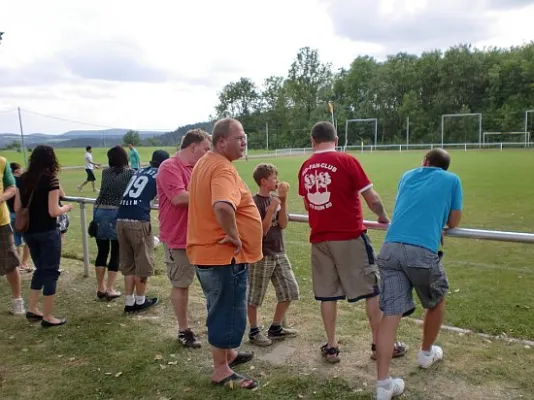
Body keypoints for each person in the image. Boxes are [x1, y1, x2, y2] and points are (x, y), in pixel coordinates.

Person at [297, 121, 408, 363]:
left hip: (319, 239)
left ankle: (332, 346)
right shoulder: (347, 161)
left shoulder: (305, 166)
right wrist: (383, 217)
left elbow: (308, 203)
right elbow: (372, 198)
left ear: (312, 140)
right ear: (336, 140)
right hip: (349, 237)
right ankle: (379, 345)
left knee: (327, 295)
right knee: (372, 290)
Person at [374, 148, 463, 400]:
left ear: (424, 162)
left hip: (390, 248)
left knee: (390, 315)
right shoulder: (452, 179)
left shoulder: (407, 175)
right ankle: (426, 354)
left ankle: (383, 386)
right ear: (444, 167)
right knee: (436, 300)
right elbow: (454, 221)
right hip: (421, 251)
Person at [187, 118, 262, 390]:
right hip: (223, 257)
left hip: (206, 254)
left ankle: (227, 355)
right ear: (221, 142)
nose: (244, 141)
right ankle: (221, 369)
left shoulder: (205, 162)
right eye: (239, 137)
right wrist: (233, 234)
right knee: (226, 310)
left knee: (217, 306)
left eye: (244, 137)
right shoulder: (222, 168)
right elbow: (222, 206)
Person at [156, 129, 211, 347]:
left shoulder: (199, 167)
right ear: (193, 146)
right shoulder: (169, 167)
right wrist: (212, 195)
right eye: (206, 148)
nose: (208, 153)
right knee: (181, 284)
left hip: (201, 236)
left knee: (210, 285)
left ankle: (212, 326)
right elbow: (179, 198)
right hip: (178, 238)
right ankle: (183, 330)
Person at [15, 145, 72, 327]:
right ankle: (48, 315)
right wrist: (66, 208)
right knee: (51, 272)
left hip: (29, 232)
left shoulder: (23, 178)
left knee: (40, 269)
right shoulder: (50, 179)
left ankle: (32, 308)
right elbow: (54, 210)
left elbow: (17, 207)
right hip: (47, 232)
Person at [247, 163, 300, 347]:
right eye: (273, 178)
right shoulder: (253, 202)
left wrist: (283, 201)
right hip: (261, 255)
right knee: (255, 297)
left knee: (290, 290)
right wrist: (271, 209)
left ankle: (276, 328)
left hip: (279, 252)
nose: (277, 181)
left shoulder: (275, 199)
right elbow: (261, 231)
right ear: (263, 181)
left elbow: (283, 224)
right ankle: (254, 331)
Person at [117, 150, 170, 314]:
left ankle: (129, 301)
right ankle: (140, 300)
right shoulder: (160, 174)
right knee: (142, 262)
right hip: (138, 221)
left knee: (128, 263)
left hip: (121, 219)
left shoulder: (140, 171)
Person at [92, 146, 134, 301]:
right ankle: (110, 288)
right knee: (116, 251)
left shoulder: (105, 172)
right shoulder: (130, 173)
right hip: (116, 213)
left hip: (99, 211)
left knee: (102, 251)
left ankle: (100, 287)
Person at [0, 157, 25, 315]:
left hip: (1, 222)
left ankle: (17, 301)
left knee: (10, 262)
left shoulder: (2, 162)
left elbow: (12, 187)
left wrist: (1, 197)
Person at [7, 162, 32, 273]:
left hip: (9, 214)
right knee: (27, 241)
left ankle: (16, 264)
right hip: (21, 215)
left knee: (15, 241)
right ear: (16, 170)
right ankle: (24, 263)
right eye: (20, 168)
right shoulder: (22, 182)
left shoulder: (7, 182)